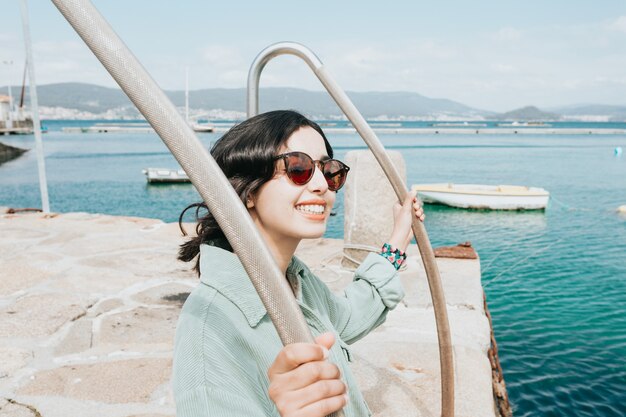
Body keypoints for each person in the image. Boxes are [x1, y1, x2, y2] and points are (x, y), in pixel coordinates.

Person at [173, 110, 424, 417]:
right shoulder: (209, 329)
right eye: (298, 167)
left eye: (329, 170)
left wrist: (399, 237)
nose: (321, 184)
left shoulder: (295, 280)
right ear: (248, 191)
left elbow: (347, 318)